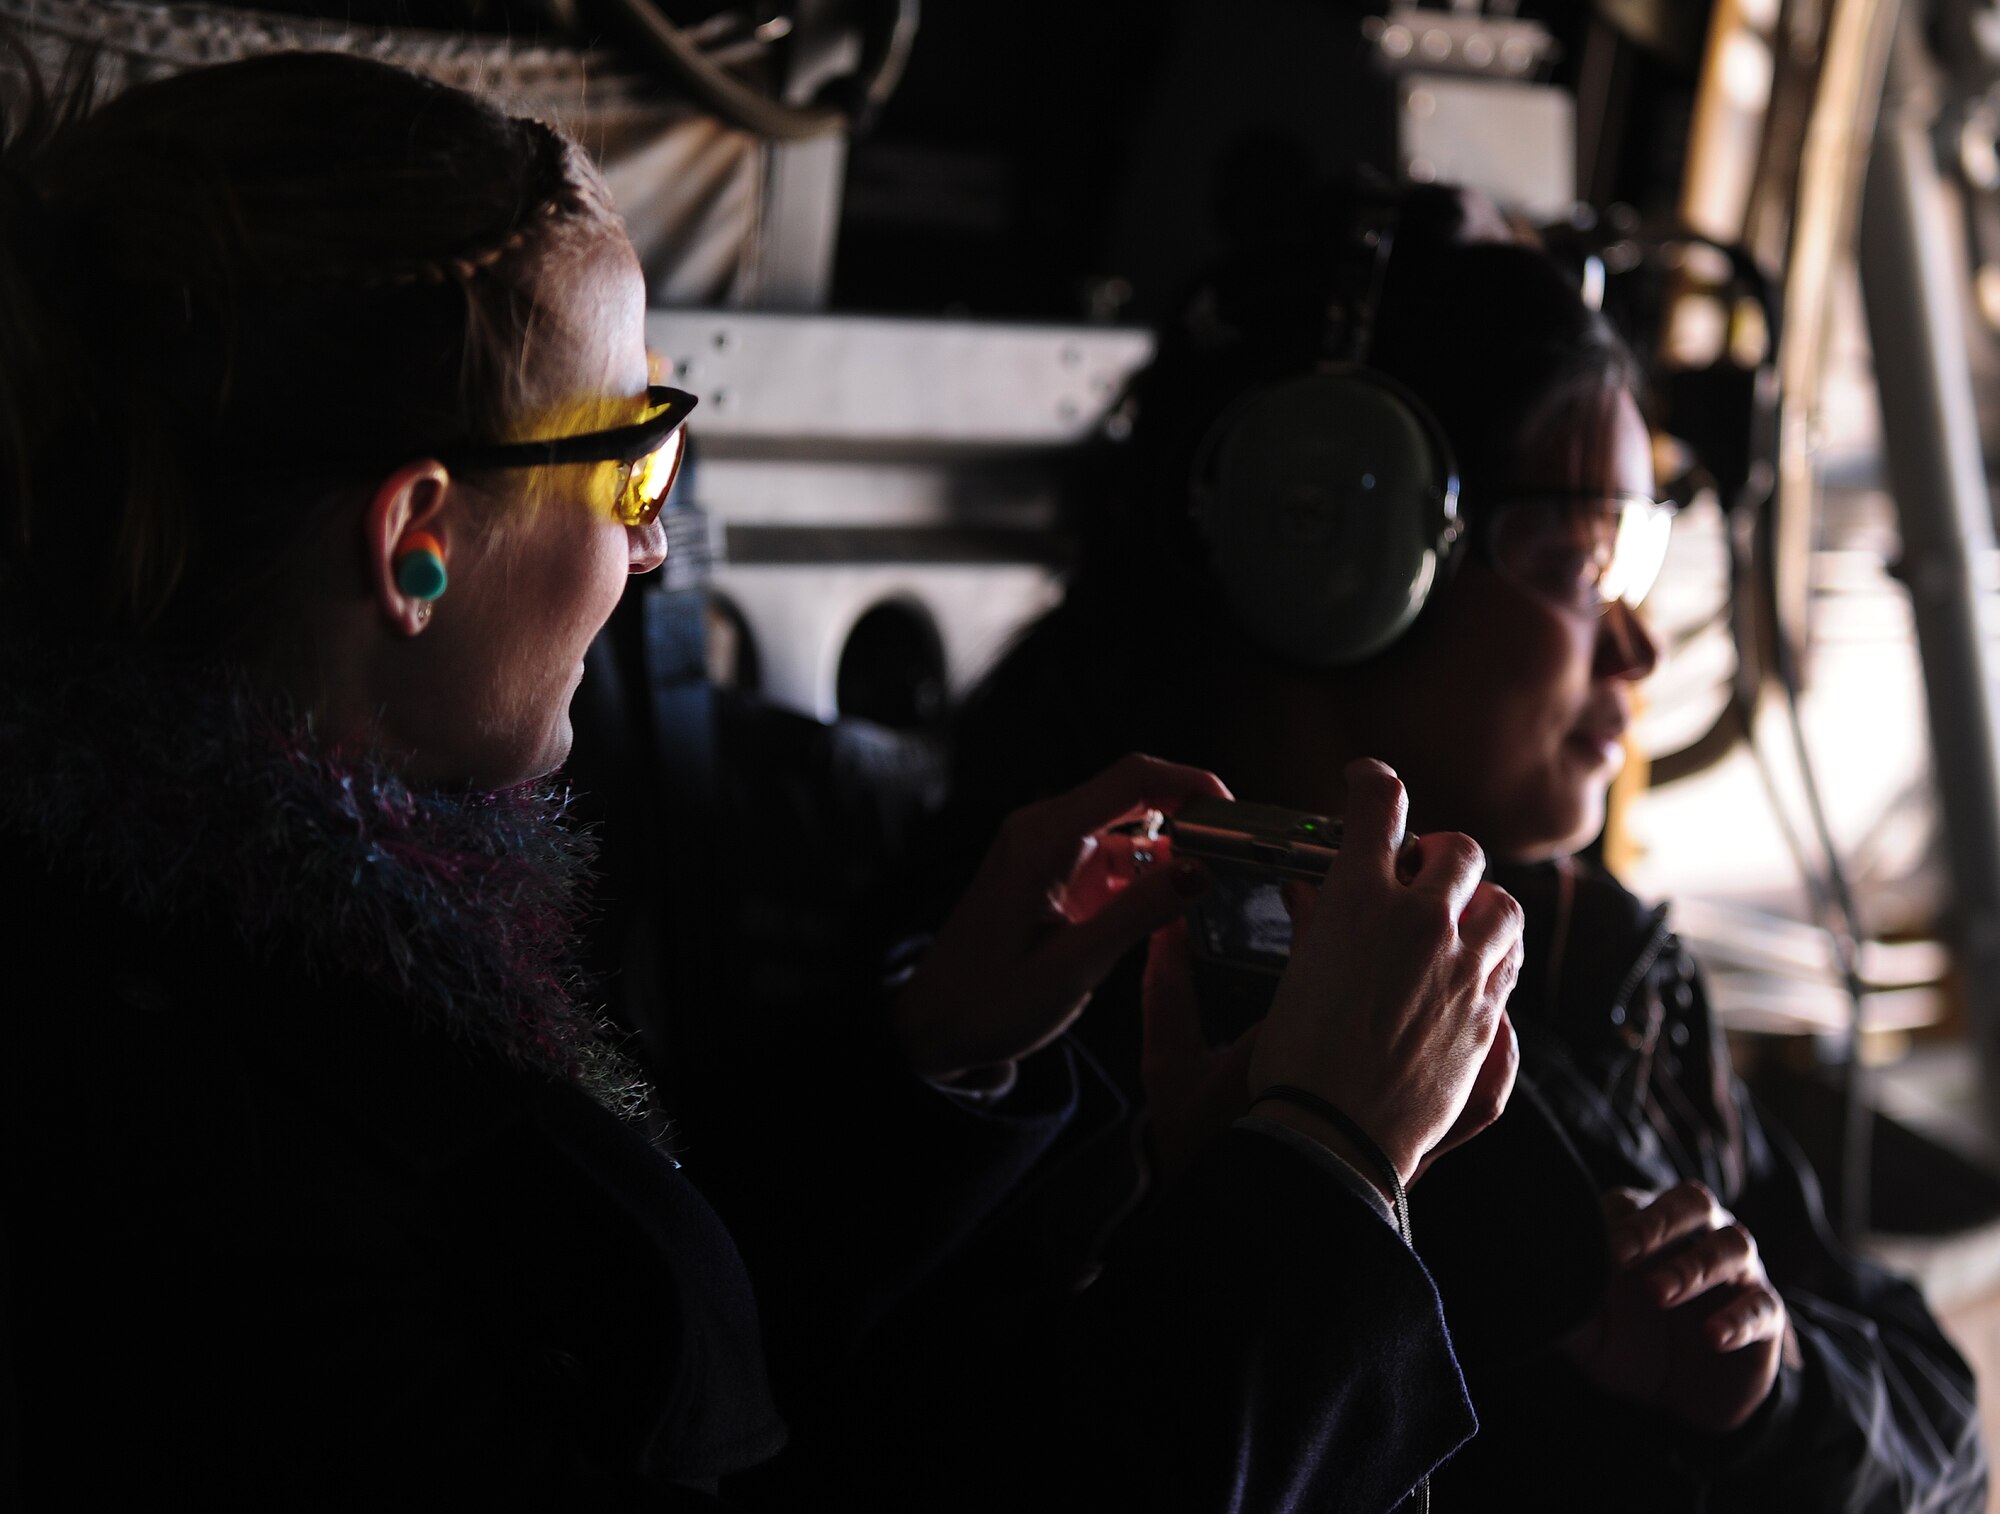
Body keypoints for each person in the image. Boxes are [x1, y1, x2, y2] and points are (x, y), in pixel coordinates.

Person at [0, 48, 1525, 1509]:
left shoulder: (226, 941)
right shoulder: (197, 1159)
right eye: (633, 464)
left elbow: (623, 1343)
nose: (653, 540)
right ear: (420, 536)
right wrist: (1322, 1171)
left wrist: (938, 1044)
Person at [943, 186, 1988, 1510]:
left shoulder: (1589, 952)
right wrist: (1322, 1159)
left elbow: (1945, 1422)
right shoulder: (1050, 1016)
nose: (1637, 646)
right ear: (1330, 553)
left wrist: (1768, 1393)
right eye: (1579, 558)